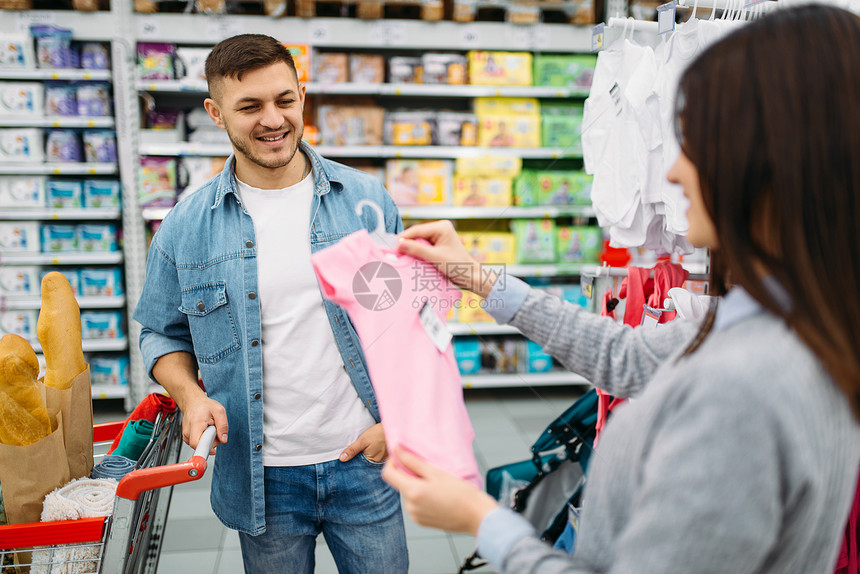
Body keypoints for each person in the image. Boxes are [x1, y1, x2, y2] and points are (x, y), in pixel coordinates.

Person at [383, 5, 860, 573]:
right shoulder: (790, 319)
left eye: (696, 141)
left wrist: (484, 523)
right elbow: (627, 356)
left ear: (767, 165)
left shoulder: (741, 394)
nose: (675, 172)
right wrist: (480, 279)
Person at [132, 34, 408, 574]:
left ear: (301, 96)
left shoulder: (366, 201)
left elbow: (406, 326)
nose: (272, 119)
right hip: (264, 476)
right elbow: (162, 333)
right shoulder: (185, 228)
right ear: (215, 113)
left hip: (364, 459)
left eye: (284, 100)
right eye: (250, 106)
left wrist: (396, 421)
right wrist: (188, 397)